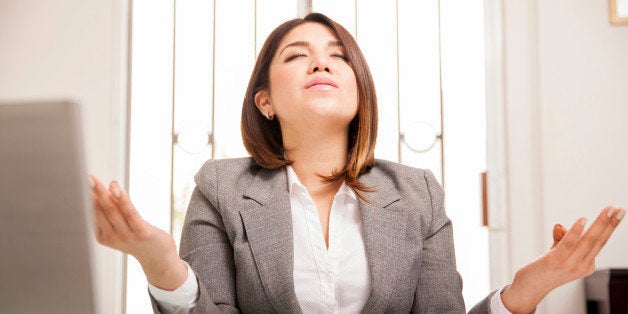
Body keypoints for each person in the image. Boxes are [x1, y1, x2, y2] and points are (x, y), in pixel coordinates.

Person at [90, 13, 625, 313]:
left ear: (359, 90)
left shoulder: (418, 192)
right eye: (296, 54)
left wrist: (529, 288)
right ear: (266, 102)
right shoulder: (222, 185)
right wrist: (159, 261)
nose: (321, 60)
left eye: (337, 55)